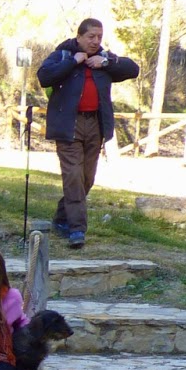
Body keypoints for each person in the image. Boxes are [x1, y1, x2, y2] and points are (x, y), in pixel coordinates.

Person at [36, 18, 140, 249]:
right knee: (73, 176)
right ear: (79, 36)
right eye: (91, 37)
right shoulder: (62, 55)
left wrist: (105, 63)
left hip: (95, 125)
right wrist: (73, 62)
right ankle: (77, 229)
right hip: (68, 125)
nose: (95, 41)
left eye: (99, 37)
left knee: (86, 178)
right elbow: (44, 76)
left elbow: (133, 68)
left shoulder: (103, 59)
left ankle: (62, 218)